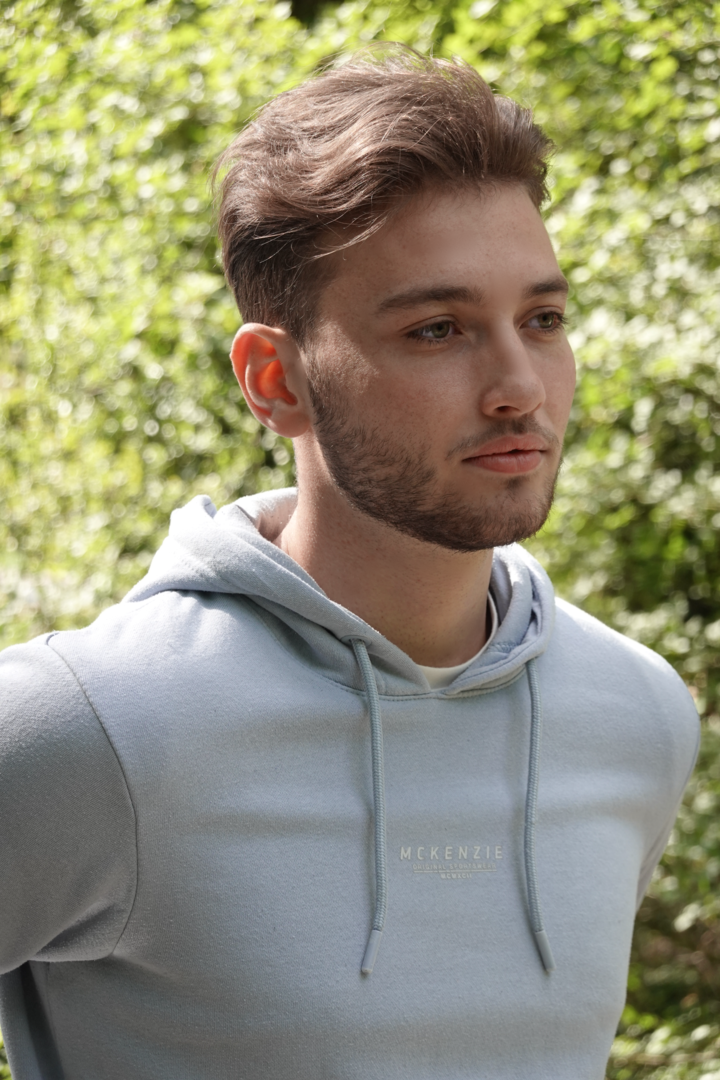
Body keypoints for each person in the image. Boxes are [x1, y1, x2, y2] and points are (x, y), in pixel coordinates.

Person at [0, 45, 699, 1080]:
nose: (520, 387)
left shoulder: (637, 715)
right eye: (438, 329)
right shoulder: (85, 730)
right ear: (277, 380)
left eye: (543, 320)